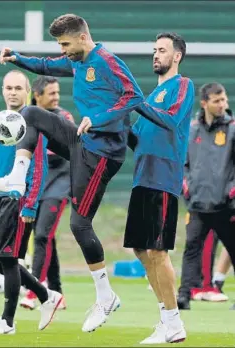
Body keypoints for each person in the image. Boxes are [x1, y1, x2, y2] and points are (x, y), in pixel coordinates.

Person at [0, 14, 144, 332]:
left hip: (103, 155)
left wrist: (99, 118)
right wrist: (18, 58)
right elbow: (45, 65)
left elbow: (133, 96)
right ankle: (17, 174)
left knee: (79, 224)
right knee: (30, 112)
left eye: (65, 44)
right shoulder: (77, 62)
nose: (63, 51)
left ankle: (105, 297)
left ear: (82, 37)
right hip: (84, 143)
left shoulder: (106, 60)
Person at [0, 70, 63, 335]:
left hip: (18, 198)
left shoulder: (33, 123)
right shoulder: (1, 121)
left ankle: (7, 322)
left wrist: (30, 204)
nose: (12, 92)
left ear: (27, 92)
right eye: (8, 88)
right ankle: (47, 295)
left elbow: (39, 169)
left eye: (17, 88)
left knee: (8, 258)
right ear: (3, 90)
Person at [125, 32, 195, 344]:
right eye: (154, 50)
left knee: (158, 249)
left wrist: (135, 103)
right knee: (141, 250)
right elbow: (136, 141)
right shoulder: (149, 98)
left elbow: (169, 121)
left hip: (164, 178)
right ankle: (166, 319)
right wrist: (114, 124)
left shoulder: (182, 86)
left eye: (162, 50)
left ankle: (174, 322)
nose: (156, 55)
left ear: (176, 56)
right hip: (141, 176)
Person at [178, 82, 235, 311]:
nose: (222, 105)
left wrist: (231, 191)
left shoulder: (232, 129)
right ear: (204, 104)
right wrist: (187, 188)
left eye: (224, 100)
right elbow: (184, 163)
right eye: (217, 101)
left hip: (225, 205)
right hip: (198, 203)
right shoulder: (191, 130)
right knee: (191, 248)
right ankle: (184, 295)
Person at [20, 76, 74, 310]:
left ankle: (35, 291)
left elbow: (76, 149)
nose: (57, 97)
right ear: (37, 95)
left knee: (42, 235)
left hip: (60, 184)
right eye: (51, 93)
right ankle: (57, 292)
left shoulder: (64, 118)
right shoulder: (26, 118)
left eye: (57, 92)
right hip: (35, 187)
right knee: (46, 237)